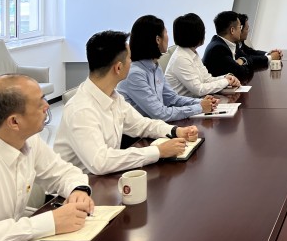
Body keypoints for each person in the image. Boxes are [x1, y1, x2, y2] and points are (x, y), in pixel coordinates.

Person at [0, 75, 94, 241]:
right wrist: (48, 223)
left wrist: (78, 189)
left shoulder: (28, 139)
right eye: (40, 103)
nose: (47, 106)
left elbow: (62, 173)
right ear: (14, 122)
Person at [54, 30, 199, 175]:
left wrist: (175, 131)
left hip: (104, 179)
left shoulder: (113, 96)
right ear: (118, 68)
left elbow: (142, 125)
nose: (132, 62)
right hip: (80, 185)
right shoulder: (81, 110)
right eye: (130, 58)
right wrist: (158, 151)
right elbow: (101, 162)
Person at [117, 15, 218, 121]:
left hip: (155, 126)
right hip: (139, 131)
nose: (168, 38)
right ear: (158, 39)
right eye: (166, 33)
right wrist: (199, 107)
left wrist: (201, 102)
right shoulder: (135, 74)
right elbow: (160, 114)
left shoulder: (155, 67)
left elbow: (172, 99)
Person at [166, 13, 240, 96]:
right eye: (203, 31)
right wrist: (226, 82)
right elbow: (199, 89)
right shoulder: (181, 58)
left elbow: (206, 79)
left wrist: (225, 78)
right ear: (195, 34)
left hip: (195, 100)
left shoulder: (192, 53)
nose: (204, 33)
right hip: (183, 103)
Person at [202, 11, 252, 82]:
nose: (241, 31)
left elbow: (249, 58)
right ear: (232, 30)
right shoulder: (218, 49)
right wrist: (242, 63)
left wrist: (242, 60)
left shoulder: (226, 43)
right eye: (240, 27)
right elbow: (243, 74)